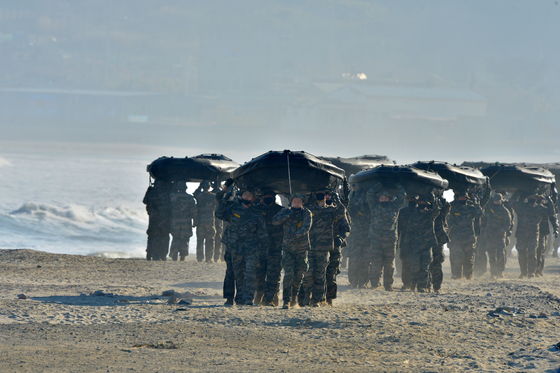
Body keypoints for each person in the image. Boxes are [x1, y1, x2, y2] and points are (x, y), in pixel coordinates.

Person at [215, 187, 269, 306]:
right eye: (245, 195)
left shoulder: (257, 213)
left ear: (253, 198)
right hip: (235, 248)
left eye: (249, 196)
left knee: (250, 274)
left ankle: (248, 298)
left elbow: (262, 233)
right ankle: (238, 298)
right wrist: (225, 199)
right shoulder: (233, 209)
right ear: (241, 196)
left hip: (251, 248)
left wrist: (264, 251)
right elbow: (218, 214)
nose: (247, 197)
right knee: (237, 274)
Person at [300, 191, 348, 307]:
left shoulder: (332, 210)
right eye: (319, 194)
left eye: (325, 195)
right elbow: (298, 209)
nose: (322, 196)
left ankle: (320, 299)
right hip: (310, 246)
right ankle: (307, 296)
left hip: (326, 246)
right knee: (308, 273)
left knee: (323, 275)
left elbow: (342, 216)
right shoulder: (310, 209)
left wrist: (337, 200)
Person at [273, 194, 312, 309]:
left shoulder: (306, 213)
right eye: (294, 201)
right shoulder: (285, 211)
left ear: (302, 203)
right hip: (288, 248)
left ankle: (294, 297)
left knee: (299, 275)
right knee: (288, 275)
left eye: (299, 202)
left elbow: (306, 226)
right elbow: (274, 221)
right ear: (291, 202)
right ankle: (286, 300)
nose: (296, 204)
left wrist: (298, 234)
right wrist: (286, 217)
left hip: (301, 248)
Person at [366, 182, 406, 291]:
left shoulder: (395, 206)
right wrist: (378, 185)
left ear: (389, 199)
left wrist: (397, 184)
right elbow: (369, 194)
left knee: (389, 265)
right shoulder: (374, 206)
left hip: (390, 240)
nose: (384, 200)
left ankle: (388, 285)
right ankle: (375, 284)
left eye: (386, 198)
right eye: (382, 198)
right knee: (375, 263)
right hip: (376, 240)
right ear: (378, 199)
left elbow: (402, 196)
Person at [255, 189, 284, 307]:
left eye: (269, 196)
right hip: (259, 247)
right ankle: (259, 294)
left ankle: (270, 298)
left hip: (276, 248)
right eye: (265, 196)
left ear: (274, 197)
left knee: (274, 274)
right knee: (259, 274)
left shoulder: (281, 211)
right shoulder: (257, 210)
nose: (267, 198)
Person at [447, 192, 484, 279]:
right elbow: (449, 223)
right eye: (460, 198)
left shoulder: (472, 208)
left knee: (469, 258)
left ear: (467, 199)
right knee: (457, 257)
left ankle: (468, 275)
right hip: (457, 237)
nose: (462, 199)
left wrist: (475, 202)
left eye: (464, 198)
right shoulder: (454, 209)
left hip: (469, 237)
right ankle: (457, 275)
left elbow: (480, 213)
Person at [325, 195, 351, 306]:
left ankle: (329, 298)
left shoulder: (338, 212)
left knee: (331, 273)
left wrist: (341, 238)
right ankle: (316, 297)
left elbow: (346, 228)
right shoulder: (317, 211)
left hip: (334, 247)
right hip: (319, 246)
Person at [481, 193, 512, 278]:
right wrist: (486, 232)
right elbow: (484, 221)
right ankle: (493, 272)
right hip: (490, 236)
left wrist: (501, 231)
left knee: (500, 254)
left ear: (501, 201)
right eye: (495, 201)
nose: (496, 202)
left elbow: (508, 224)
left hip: (500, 236)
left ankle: (500, 271)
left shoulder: (505, 211)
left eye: (498, 201)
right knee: (491, 254)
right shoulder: (489, 210)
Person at [347, 188, 371, 288]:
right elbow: (349, 208)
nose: (361, 202)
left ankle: (363, 282)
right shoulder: (354, 211)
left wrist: (366, 205)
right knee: (354, 261)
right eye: (360, 201)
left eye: (363, 201)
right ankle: (353, 281)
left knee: (365, 262)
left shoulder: (370, 210)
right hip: (355, 239)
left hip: (367, 239)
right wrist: (355, 196)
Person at [143, 179, 172, 261]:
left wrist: (149, 191)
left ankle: (149, 253)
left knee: (152, 236)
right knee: (164, 236)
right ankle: (162, 255)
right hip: (164, 219)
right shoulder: (167, 193)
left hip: (153, 218)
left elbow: (145, 201)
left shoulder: (151, 192)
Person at [169, 181, 197, 261]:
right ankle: (183, 255)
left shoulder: (172, 196)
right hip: (186, 222)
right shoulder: (190, 198)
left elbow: (169, 208)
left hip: (175, 220)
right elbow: (193, 211)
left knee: (175, 236)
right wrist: (195, 220)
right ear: (185, 188)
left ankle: (175, 249)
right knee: (185, 238)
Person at [397, 196, 418, 291]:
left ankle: (415, 284)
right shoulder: (403, 212)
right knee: (405, 263)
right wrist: (397, 242)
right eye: (410, 198)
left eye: (413, 199)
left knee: (417, 264)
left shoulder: (421, 211)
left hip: (418, 242)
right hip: (405, 242)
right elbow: (399, 229)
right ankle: (406, 284)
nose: (412, 200)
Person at [430, 194, 450, 292]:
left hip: (438, 240)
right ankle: (426, 284)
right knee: (426, 263)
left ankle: (437, 286)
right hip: (426, 240)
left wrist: (440, 197)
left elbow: (447, 207)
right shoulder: (426, 211)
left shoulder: (442, 213)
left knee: (437, 263)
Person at [194, 180, 217, 262]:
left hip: (200, 221)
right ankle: (209, 258)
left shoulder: (199, 196)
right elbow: (220, 198)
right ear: (209, 187)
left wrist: (200, 186)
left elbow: (195, 193)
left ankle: (199, 258)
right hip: (210, 221)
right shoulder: (213, 196)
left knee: (200, 240)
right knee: (210, 240)